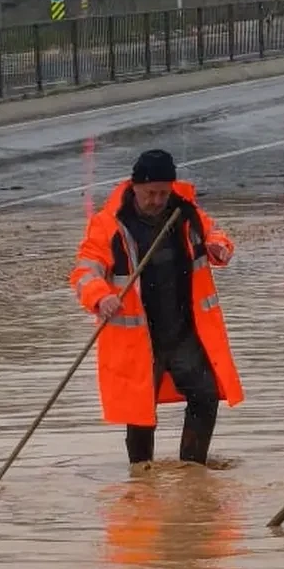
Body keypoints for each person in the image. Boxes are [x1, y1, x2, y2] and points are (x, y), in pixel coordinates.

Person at [70, 149, 244, 467]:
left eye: (164, 192)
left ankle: (192, 468)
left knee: (205, 396)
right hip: (139, 339)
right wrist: (100, 296)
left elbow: (216, 233)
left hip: (183, 332)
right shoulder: (109, 226)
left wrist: (220, 247)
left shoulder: (185, 214)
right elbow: (85, 272)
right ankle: (141, 471)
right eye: (151, 193)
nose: (157, 200)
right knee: (140, 412)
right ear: (135, 187)